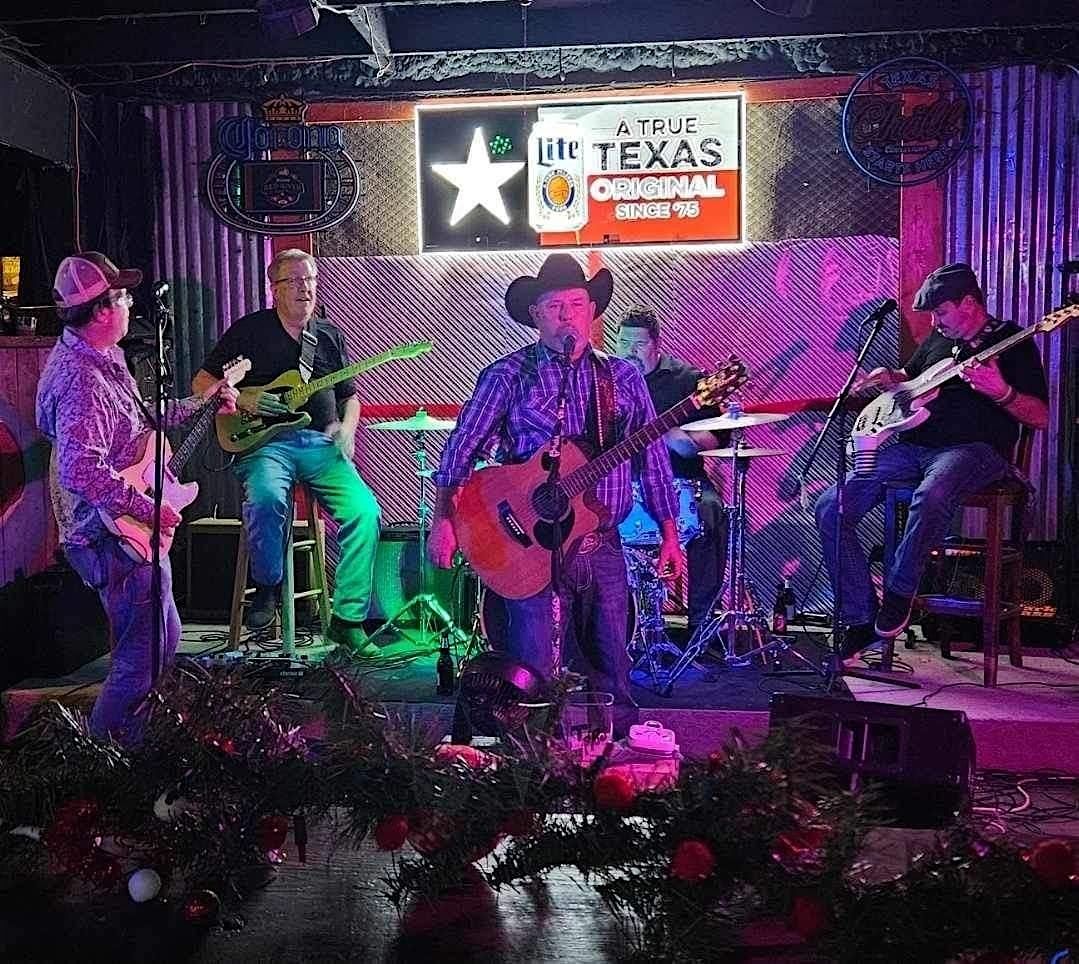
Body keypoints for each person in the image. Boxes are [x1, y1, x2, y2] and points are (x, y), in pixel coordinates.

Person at [427, 254, 683, 735]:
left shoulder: (622, 378)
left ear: (592, 311)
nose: (567, 315)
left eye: (577, 304)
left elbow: (652, 461)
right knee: (534, 672)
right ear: (536, 315)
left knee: (612, 667)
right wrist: (444, 521)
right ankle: (536, 765)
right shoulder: (508, 375)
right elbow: (461, 448)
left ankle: (611, 760)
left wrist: (669, 534)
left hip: (601, 544)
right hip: (528, 550)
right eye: (555, 306)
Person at [36, 252, 239, 744]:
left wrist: (202, 401)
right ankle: (108, 758)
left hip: (126, 527)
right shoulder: (81, 379)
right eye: (123, 296)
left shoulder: (105, 358)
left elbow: (138, 423)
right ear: (101, 310)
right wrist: (149, 507)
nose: (130, 303)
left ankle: (134, 746)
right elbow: (81, 469)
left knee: (162, 641)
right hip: (109, 535)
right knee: (140, 657)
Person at [814, 263, 1049, 656]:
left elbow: (1040, 417)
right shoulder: (940, 339)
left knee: (933, 493)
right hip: (913, 449)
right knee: (831, 506)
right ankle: (860, 618)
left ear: (969, 303)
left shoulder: (1012, 342)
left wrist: (1001, 391)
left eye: (941, 312)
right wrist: (890, 378)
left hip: (975, 450)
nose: (936, 323)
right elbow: (912, 378)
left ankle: (899, 592)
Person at [192, 249, 381, 656]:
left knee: (365, 511)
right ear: (274, 289)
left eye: (309, 279)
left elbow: (350, 397)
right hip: (265, 445)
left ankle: (348, 619)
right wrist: (244, 399)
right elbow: (201, 382)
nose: (304, 288)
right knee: (265, 499)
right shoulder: (250, 331)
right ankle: (268, 586)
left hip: (320, 445)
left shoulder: (328, 335)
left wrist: (347, 430)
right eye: (293, 280)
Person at [615, 307, 730, 636]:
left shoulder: (688, 381)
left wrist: (678, 438)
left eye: (639, 344)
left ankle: (701, 627)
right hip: (620, 482)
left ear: (656, 344)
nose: (630, 352)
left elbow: (714, 438)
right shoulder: (606, 378)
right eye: (624, 343)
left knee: (711, 514)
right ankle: (611, 627)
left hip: (680, 480)